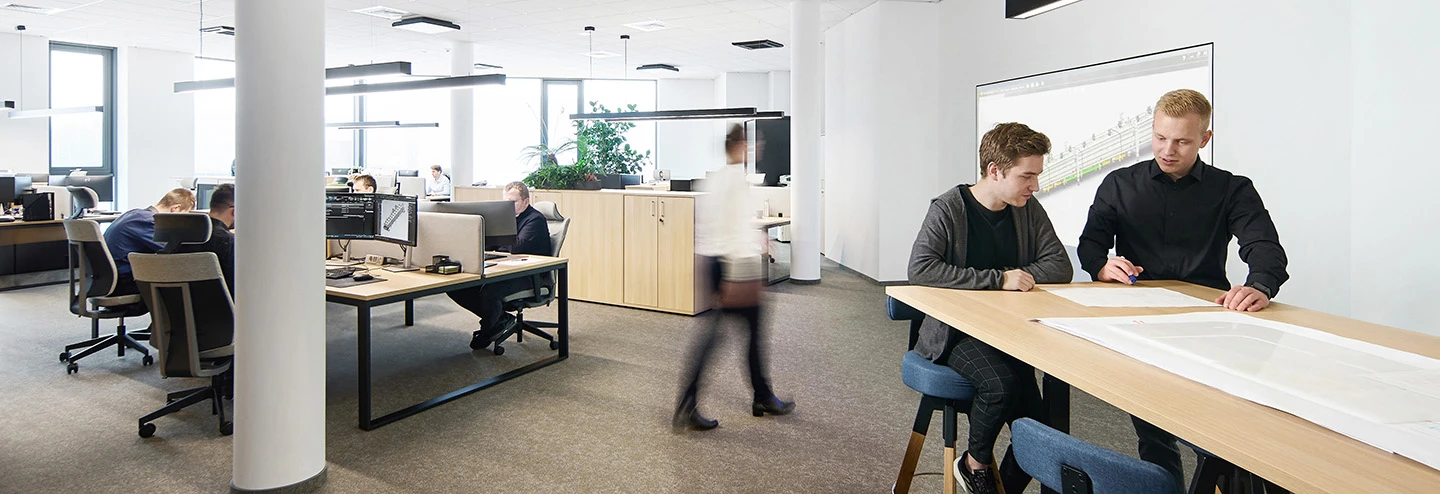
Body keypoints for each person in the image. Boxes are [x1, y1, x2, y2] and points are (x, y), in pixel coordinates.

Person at [1077, 89, 1289, 491]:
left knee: (1223, 435)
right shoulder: (1119, 184)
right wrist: (1102, 266)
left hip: (1208, 326)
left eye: (1182, 141)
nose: (1167, 150)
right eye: (1160, 138)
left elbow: (1265, 248)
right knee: (1154, 431)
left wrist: (1260, 285)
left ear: (1204, 139)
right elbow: (1090, 244)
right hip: (1139, 323)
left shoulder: (1232, 189)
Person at [908, 122, 1072, 494]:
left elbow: (1059, 265)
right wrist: (999, 279)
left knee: (1041, 427)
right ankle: (974, 464)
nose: (1035, 186)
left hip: (1008, 332)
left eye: (1037, 175)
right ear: (995, 171)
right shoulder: (949, 208)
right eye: (1027, 176)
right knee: (1001, 386)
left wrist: (1018, 277)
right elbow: (921, 269)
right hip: (955, 333)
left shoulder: (1026, 209)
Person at [673, 124, 795, 432]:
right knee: (723, 336)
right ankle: (693, 402)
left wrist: (756, 244)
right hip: (733, 266)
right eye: (751, 143)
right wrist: (746, 269)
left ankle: (759, 395)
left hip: (717, 262)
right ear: (739, 145)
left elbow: (718, 227)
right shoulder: (734, 181)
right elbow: (734, 232)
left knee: (744, 331)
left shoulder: (717, 179)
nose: (755, 148)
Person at [446, 181, 552, 350]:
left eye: (513, 202)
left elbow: (516, 247)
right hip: (507, 269)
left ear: (526, 201)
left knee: (491, 291)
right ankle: (500, 319)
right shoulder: (506, 219)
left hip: (531, 276)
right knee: (457, 286)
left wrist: (499, 234)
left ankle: (487, 330)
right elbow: (490, 244)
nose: (508, 207)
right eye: (505, 202)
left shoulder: (535, 219)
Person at [104, 188, 196, 295]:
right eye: (183, 216)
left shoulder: (134, 214)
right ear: (175, 208)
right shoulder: (148, 221)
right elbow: (172, 251)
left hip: (110, 279)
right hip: (124, 282)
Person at [179, 183, 236, 294]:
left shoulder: (178, 238)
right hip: (218, 304)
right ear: (234, 212)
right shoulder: (229, 243)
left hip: (176, 304)